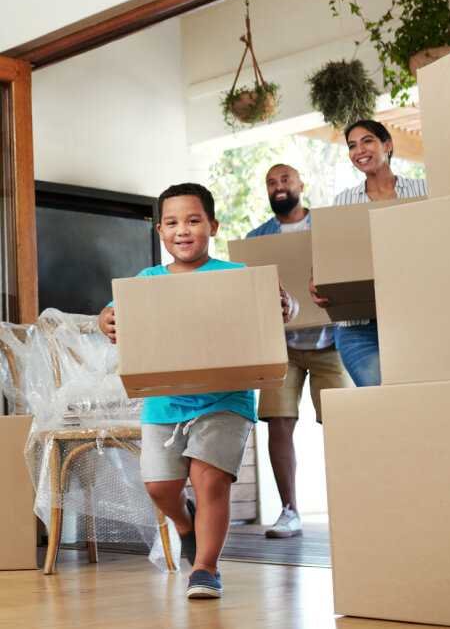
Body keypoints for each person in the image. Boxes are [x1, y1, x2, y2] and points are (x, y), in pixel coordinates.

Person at [99, 182, 295, 601]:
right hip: (165, 400)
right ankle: (185, 524)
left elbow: (280, 309)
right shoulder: (146, 281)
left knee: (209, 481)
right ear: (159, 232)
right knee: (160, 487)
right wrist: (106, 319)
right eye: (172, 223)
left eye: (193, 221)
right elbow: (117, 315)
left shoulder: (235, 276)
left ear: (212, 226)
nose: (182, 230)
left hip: (226, 398)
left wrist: (286, 308)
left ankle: (205, 569)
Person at [247, 163, 350, 538]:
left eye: (284, 180)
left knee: (342, 424)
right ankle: (289, 511)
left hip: (330, 342)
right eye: (271, 182)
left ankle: (350, 505)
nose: (278, 187)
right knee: (279, 422)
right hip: (283, 347)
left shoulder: (325, 227)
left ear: (300, 185)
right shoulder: (257, 238)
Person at [310, 119, 427, 387]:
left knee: (416, 393)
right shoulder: (344, 201)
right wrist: (318, 277)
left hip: (413, 316)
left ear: (387, 145)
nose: (358, 150)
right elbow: (333, 253)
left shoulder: (422, 191)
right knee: (381, 395)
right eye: (352, 145)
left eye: (367, 141)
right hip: (358, 326)